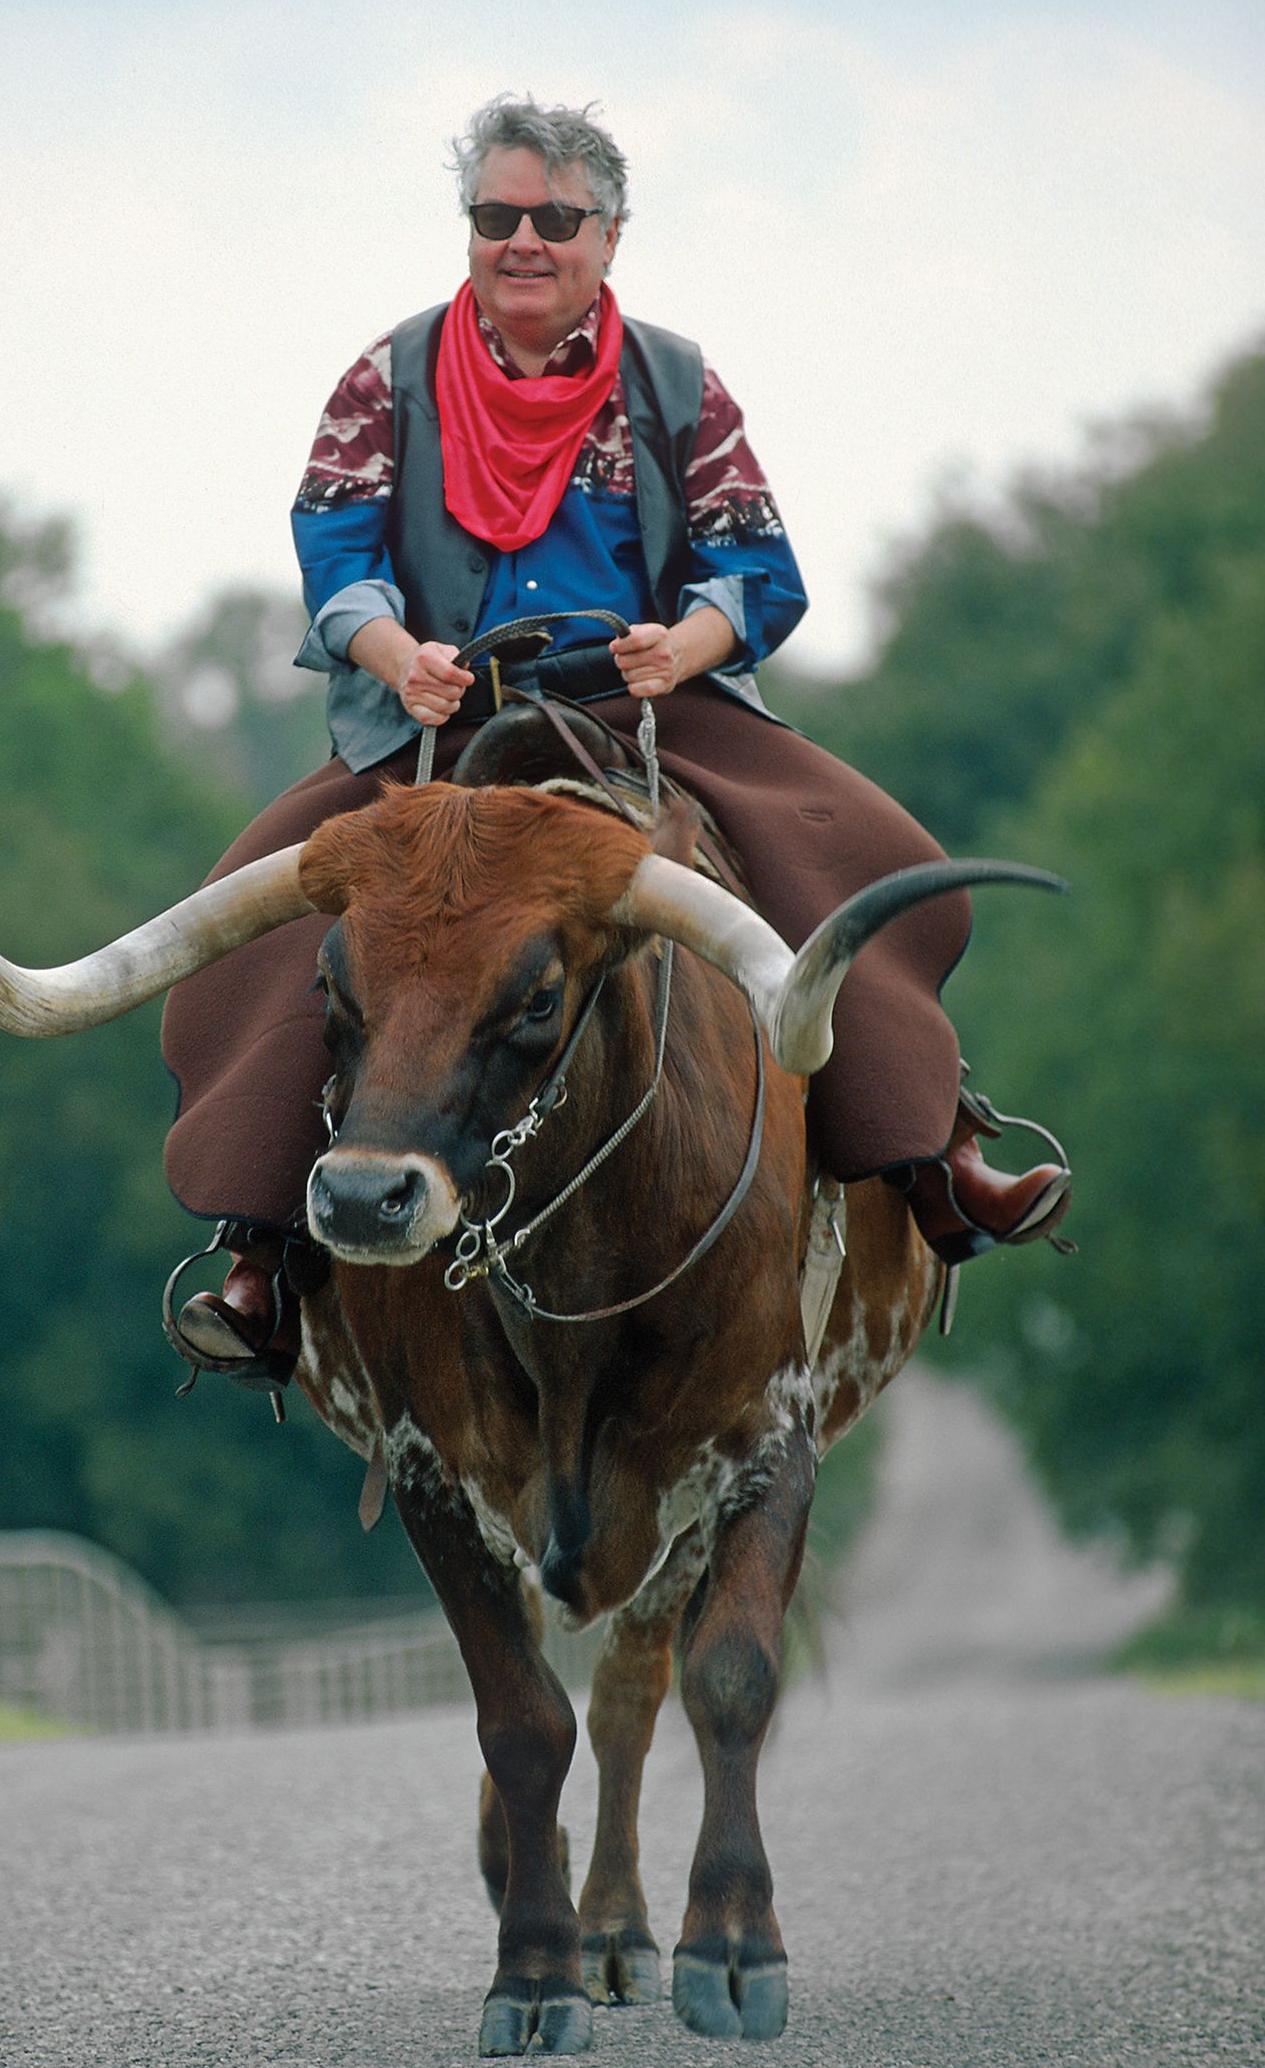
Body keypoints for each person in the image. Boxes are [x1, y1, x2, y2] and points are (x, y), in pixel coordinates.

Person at [164, 97, 1070, 1395]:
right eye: (495, 217)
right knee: (255, 913)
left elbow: (751, 562)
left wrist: (686, 646)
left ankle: (933, 1158)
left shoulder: (675, 382)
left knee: (851, 854)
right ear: (466, 230)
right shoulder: (387, 378)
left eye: (555, 218)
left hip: (641, 712)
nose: (522, 241)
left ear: (610, 233)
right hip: (440, 721)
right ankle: (259, 1253)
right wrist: (392, 655)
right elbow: (336, 553)